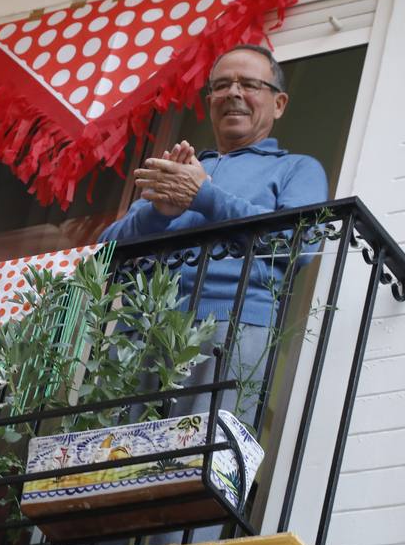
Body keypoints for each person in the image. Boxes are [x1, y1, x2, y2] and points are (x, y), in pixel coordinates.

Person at [99, 43, 329, 420]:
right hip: (141, 332)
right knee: (119, 468)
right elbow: (104, 256)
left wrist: (205, 196)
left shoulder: (296, 169)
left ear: (279, 103)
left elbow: (297, 244)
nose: (233, 93)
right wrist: (157, 212)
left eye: (249, 84)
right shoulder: (182, 168)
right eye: (221, 85)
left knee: (198, 468)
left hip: (230, 327)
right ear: (210, 102)